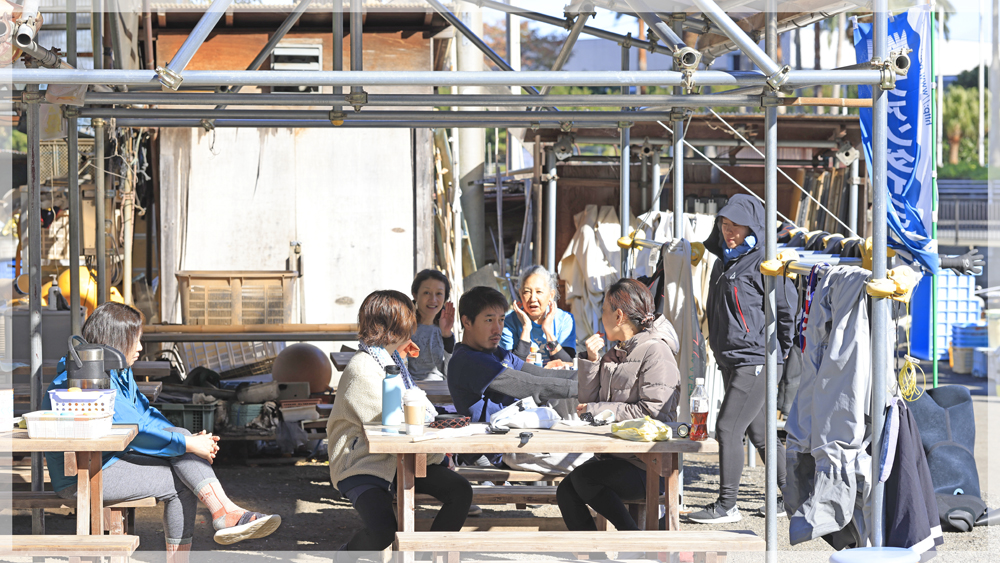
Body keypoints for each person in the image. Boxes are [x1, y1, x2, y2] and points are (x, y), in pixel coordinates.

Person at [43, 303, 280, 562]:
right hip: (81, 478)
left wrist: (185, 438)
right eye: (137, 340)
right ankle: (223, 515)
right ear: (116, 340)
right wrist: (188, 445)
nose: (141, 348)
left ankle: (225, 512)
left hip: (107, 460)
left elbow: (145, 415)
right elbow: (135, 431)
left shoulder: (116, 371)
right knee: (182, 483)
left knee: (179, 440)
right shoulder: (86, 379)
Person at [327, 290, 472, 551]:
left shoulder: (390, 359)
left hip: (401, 460)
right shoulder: (363, 368)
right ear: (394, 327)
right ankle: (345, 556)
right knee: (383, 533)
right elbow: (394, 429)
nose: (413, 325)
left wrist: (438, 455)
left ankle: (431, 555)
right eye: (408, 320)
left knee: (460, 491)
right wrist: (440, 457)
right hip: (362, 463)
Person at [688, 194, 795, 524]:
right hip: (731, 358)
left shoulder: (766, 262)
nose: (728, 231)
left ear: (754, 227)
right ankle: (793, 499)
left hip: (756, 358)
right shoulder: (723, 261)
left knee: (726, 428)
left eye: (736, 226)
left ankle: (727, 505)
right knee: (760, 433)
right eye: (724, 224)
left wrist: (779, 355)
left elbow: (788, 311)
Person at [556, 278, 681, 532]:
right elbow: (589, 403)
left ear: (619, 315)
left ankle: (633, 541)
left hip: (649, 464)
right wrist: (592, 362)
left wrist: (598, 411)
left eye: (604, 311)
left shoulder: (656, 352)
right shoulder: (621, 351)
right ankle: (594, 556)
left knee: (584, 479)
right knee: (566, 490)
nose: (601, 317)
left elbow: (652, 413)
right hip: (617, 456)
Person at [447, 286, 578, 425]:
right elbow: (532, 385)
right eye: (489, 320)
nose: (497, 329)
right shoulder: (467, 360)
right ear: (467, 322)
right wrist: (582, 388)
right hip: (491, 440)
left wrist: (586, 378)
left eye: (501, 320)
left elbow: (541, 374)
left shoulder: (496, 353)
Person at [500, 266, 576, 367]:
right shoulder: (508, 323)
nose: (533, 298)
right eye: (527, 291)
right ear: (521, 294)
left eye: (539, 292)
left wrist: (548, 331)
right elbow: (511, 367)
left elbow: (569, 364)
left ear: (551, 295)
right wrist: (526, 329)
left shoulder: (565, 319)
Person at [408, 269, 455, 381]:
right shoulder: (404, 327)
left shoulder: (444, 329)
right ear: (415, 295)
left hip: (440, 391)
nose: (433, 300)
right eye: (426, 293)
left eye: (439, 293)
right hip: (410, 390)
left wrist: (447, 335)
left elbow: (451, 373)